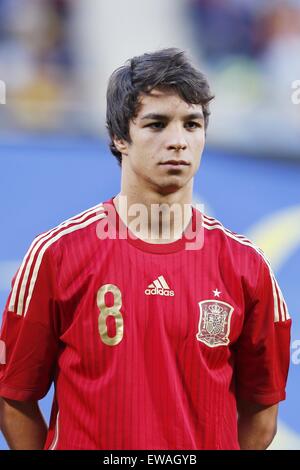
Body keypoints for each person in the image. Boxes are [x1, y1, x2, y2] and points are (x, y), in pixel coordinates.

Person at [0, 48, 291, 450]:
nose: (178, 142)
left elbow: (262, 413)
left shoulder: (248, 266)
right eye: (157, 124)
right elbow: (14, 395)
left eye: (192, 124)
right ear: (120, 136)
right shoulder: (56, 253)